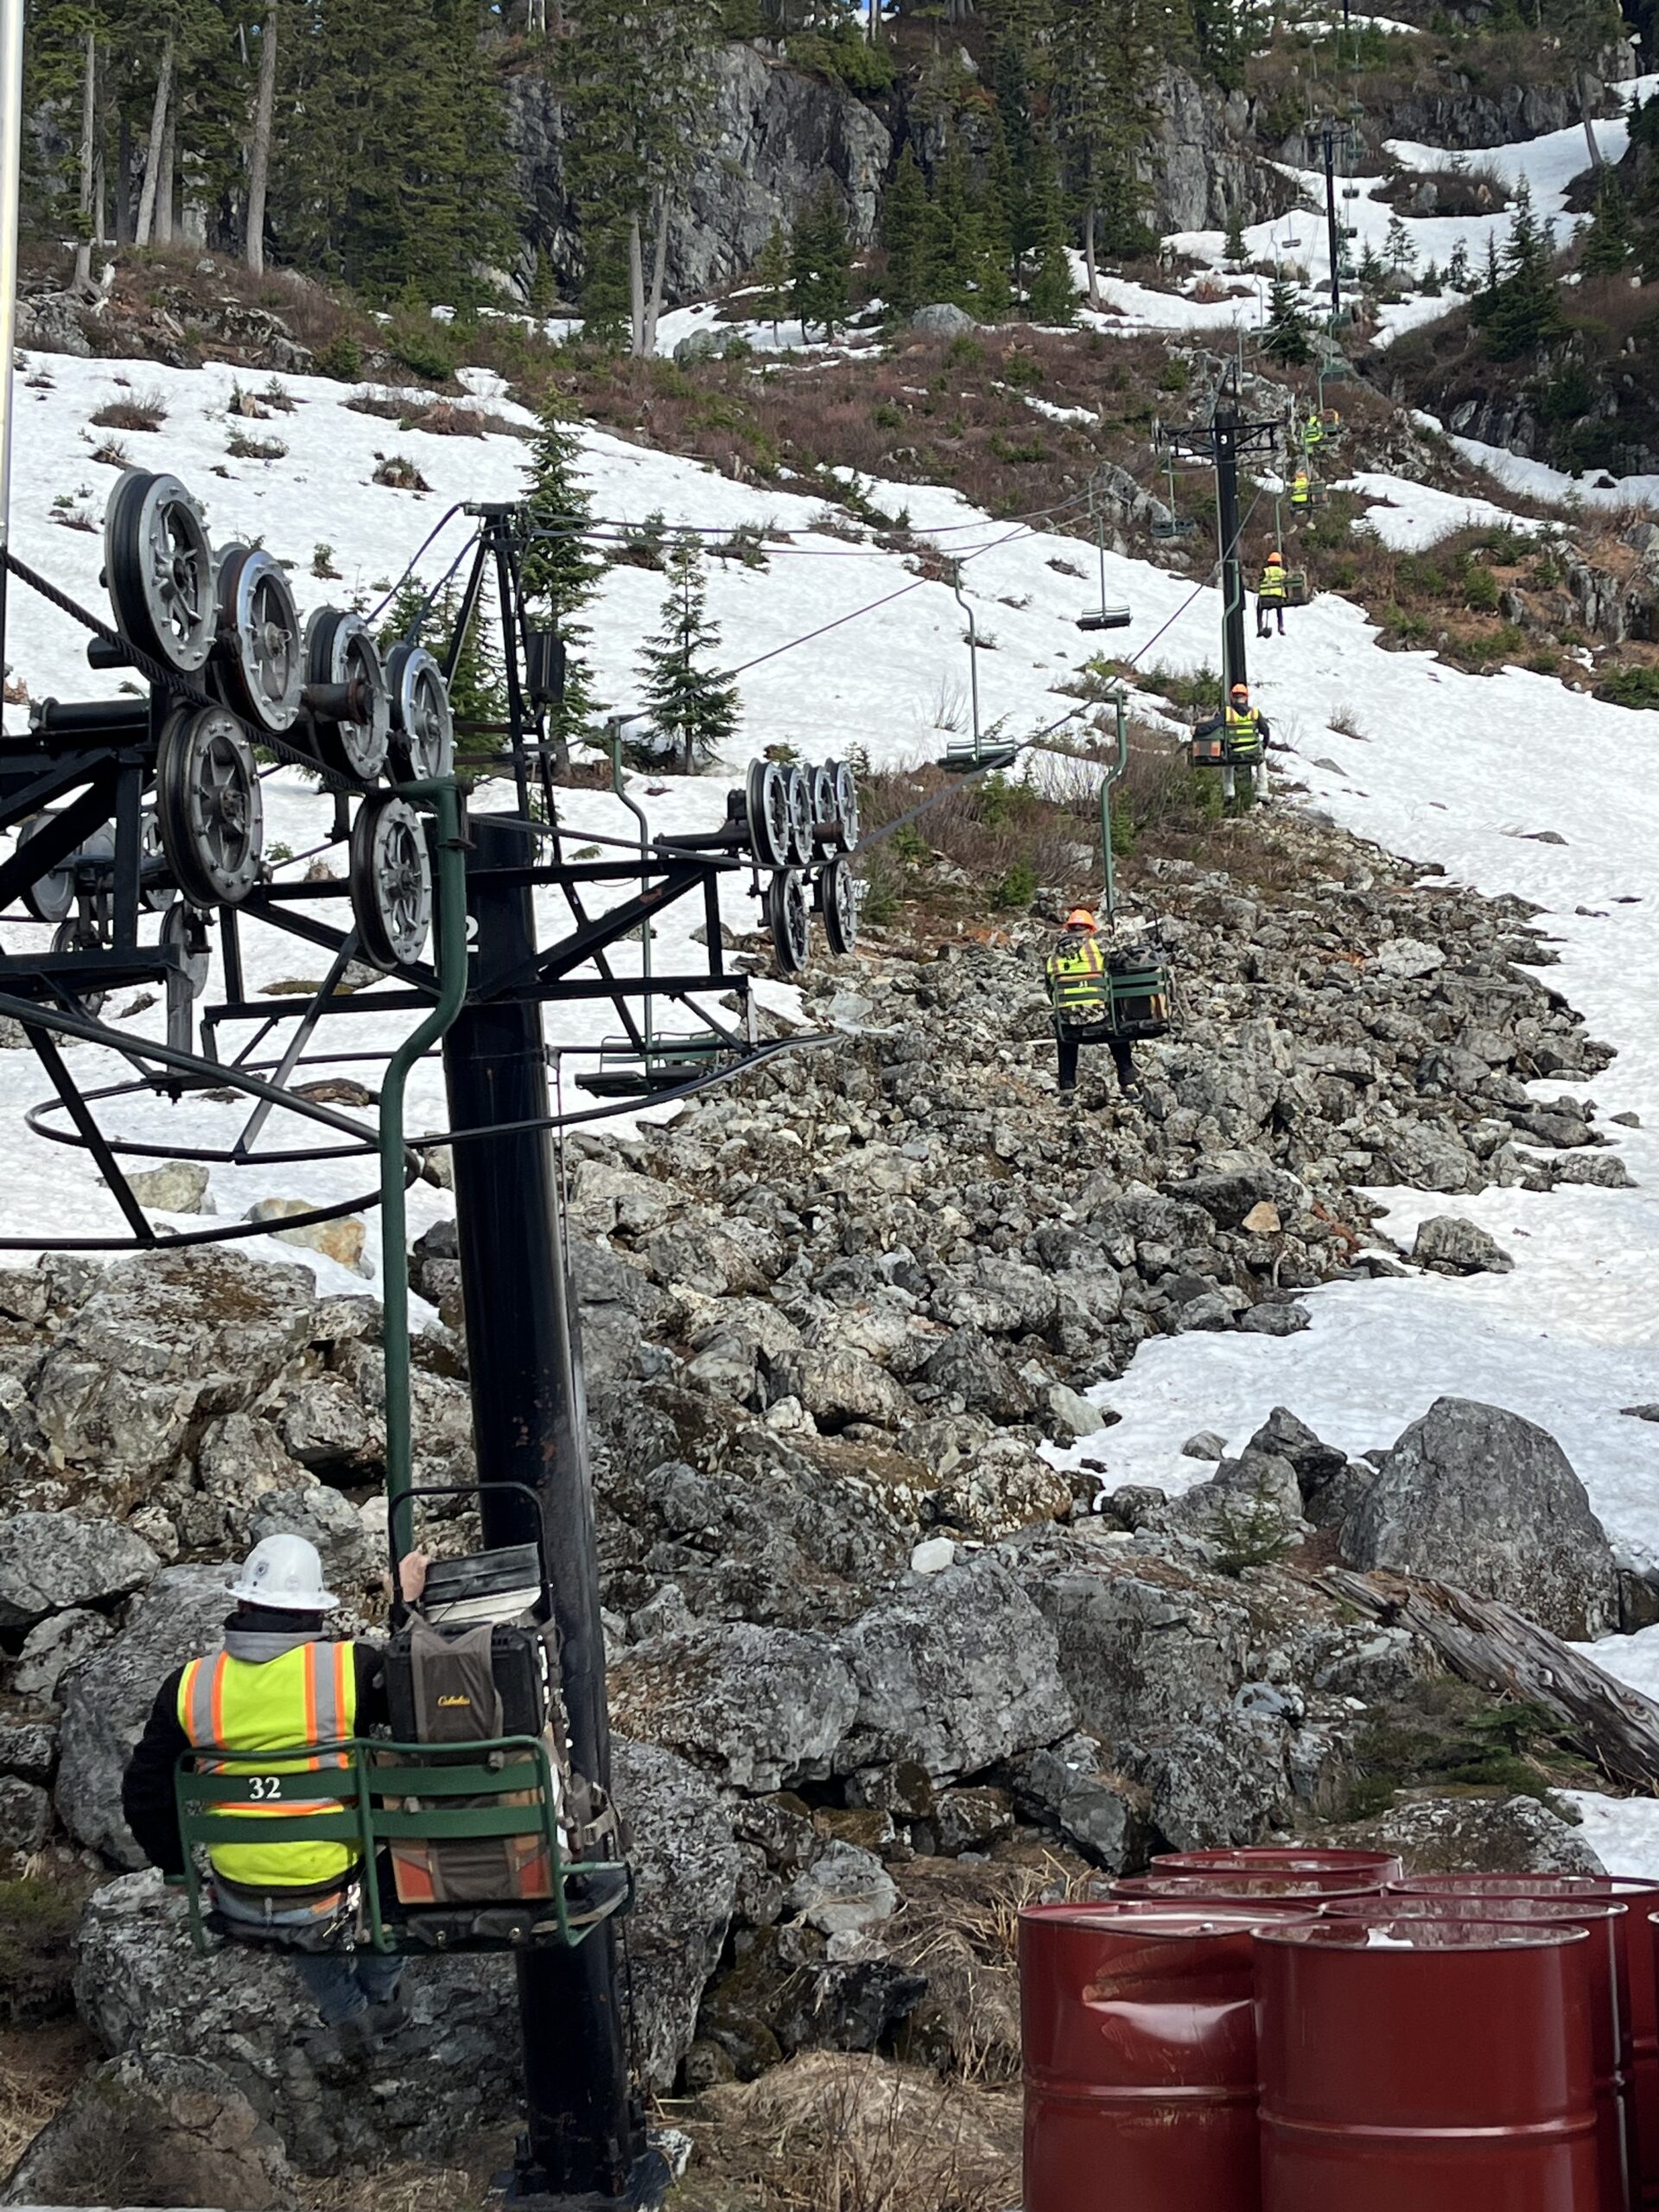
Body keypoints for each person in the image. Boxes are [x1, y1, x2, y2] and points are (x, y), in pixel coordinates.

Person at [122, 1533, 430, 2055]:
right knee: (398, 1852)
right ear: (315, 1613)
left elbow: (142, 1793)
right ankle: (379, 2000)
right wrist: (409, 1602)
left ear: (242, 1604)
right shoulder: (349, 1670)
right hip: (330, 1883)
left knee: (287, 1876)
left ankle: (347, 2014)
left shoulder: (190, 1684)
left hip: (239, 1890)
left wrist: (177, 1868)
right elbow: (425, 1694)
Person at [1043, 907, 1141, 1099]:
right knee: (1117, 1026)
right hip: (1098, 1020)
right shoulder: (1097, 947)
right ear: (1089, 930)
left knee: (1063, 1028)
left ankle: (1067, 1088)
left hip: (1068, 1026)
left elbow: (1050, 991)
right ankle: (1128, 1081)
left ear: (1068, 929)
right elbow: (1127, 948)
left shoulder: (1052, 958)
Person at [1192, 683, 1271, 804]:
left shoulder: (1228, 713)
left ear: (1232, 697)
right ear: (1246, 697)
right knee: (1261, 762)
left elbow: (1212, 726)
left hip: (1233, 752)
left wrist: (1197, 730)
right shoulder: (1255, 713)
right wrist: (1263, 747)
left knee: (1228, 764)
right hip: (1252, 752)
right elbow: (1265, 731)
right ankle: (1263, 793)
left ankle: (1229, 793)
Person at [1257, 549, 1289, 639]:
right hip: (1277, 598)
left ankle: (1260, 627)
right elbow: (1286, 585)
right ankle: (1280, 627)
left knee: (1259, 609)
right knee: (1279, 610)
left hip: (1265, 598)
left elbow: (1259, 580)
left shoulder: (1265, 571)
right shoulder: (1282, 573)